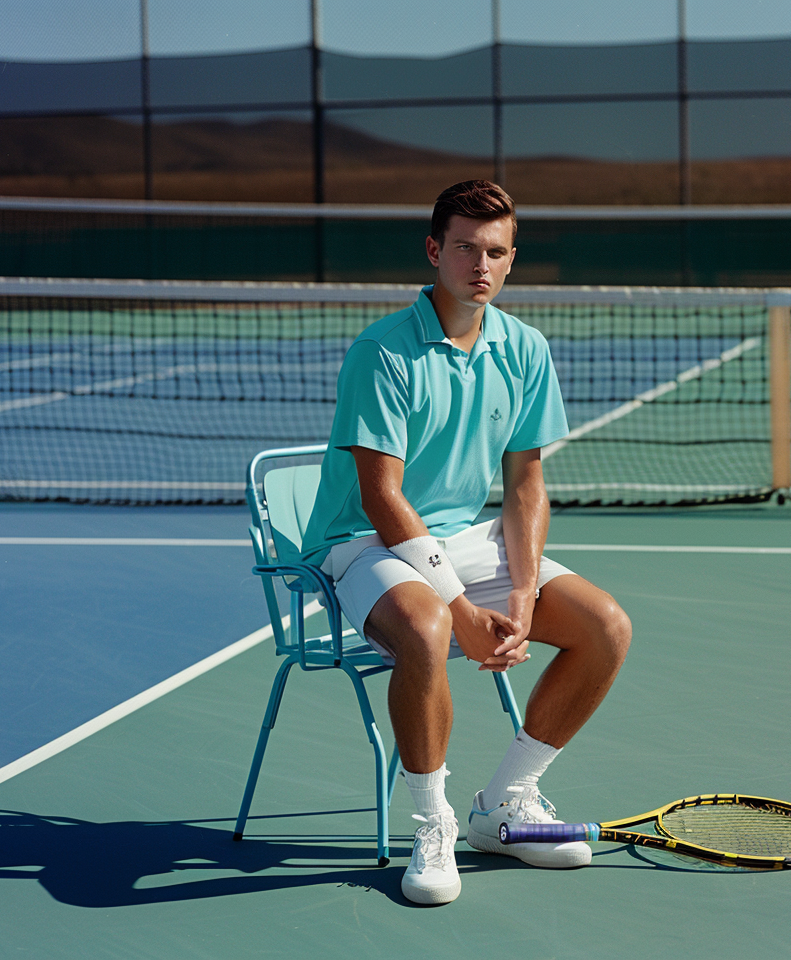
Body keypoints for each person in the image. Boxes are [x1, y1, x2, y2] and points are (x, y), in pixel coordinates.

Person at [300, 180, 631, 905]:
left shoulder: (524, 348)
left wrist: (517, 591)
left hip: (466, 537)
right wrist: (461, 610)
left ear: (512, 260)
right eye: (463, 249)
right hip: (361, 542)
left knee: (605, 624)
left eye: (494, 252)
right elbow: (381, 498)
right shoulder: (380, 352)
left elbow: (524, 486)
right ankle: (433, 822)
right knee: (425, 628)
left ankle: (505, 804)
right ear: (433, 252)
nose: (479, 265)